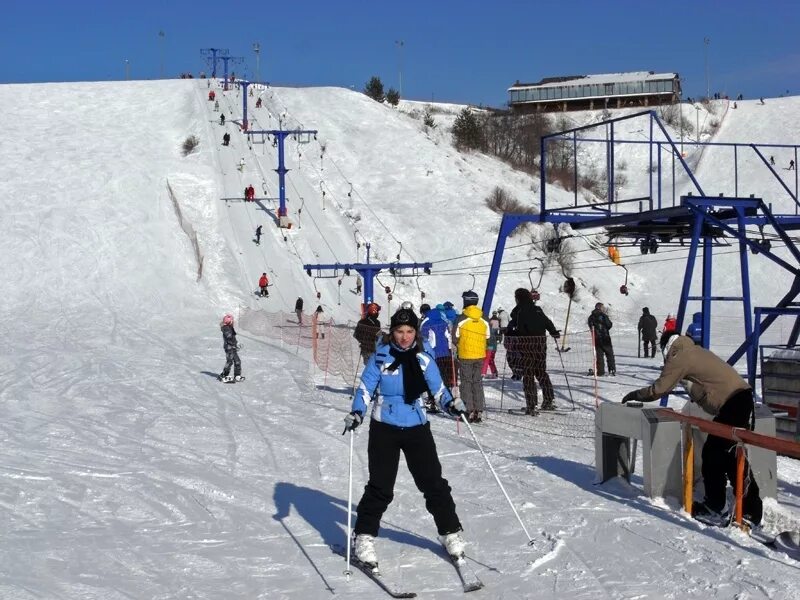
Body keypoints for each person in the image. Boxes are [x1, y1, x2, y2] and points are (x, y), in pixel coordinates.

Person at [342, 307, 468, 566]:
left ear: (415, 333)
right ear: (392, 332)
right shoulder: (380, 356)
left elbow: (439, 391)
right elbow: (365, 389)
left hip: (416, 426)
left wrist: (451, 405)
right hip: (384, 427)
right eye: (399, 331)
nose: (404, 337)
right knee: (380, 487)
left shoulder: (424, 359)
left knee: (433, 483)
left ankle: (450, 532)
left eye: (409, 331)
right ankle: (364, 536)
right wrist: (357, 413)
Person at [622, 331, 763, 527]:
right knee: (724, 455)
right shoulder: (691, 350)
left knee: (719, 454)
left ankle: (723, 507)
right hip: (738, 401)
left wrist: (637, 394)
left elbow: (661, 388)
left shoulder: (677, 355)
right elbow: (706, 387)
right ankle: (745, 509)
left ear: (666, 347)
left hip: (735, 404)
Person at [511, 288, 560, 413]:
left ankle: (532, 405)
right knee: (541, 372)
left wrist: (509, 332)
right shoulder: (538, 310)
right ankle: (549, 400)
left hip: (526, 346)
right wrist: (553, 332)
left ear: (518, 298)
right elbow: (547, 322)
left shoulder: (519, 311)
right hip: (540, 346)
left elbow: (516, 328)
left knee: (528, 375)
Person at [453, 290, 489, 423]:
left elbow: (455, 337)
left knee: (466, 383)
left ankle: (469, 410)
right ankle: (479, 410)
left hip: (465, 355)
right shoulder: (483, 318)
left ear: (466, 301)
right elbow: (488, 336)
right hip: (480, 355)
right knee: (477, 382)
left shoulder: (461, 318)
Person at [420, 303, 456, 394]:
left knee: (434, 375)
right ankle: (446, 392)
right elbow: (448, 336)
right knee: (445, 373)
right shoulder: (443, 321)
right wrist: (450, 349)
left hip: (433, 353)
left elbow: (424, 338)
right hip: (445, 353)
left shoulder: (426, 322)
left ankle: (434, 394)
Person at [588, 302, 616, 376]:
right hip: (605, 338)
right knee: (609, 354)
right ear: (600, 308)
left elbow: (590, 327)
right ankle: (612, 370)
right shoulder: (604, 316)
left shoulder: (591, 317)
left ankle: (600, 372)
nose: (603, 309)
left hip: (596, 339)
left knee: (599, 356)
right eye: (603, 308)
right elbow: (609, 325)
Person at [218, 314, 243, 382]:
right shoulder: (226, 328)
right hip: (229, 348)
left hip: (232, 348)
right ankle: (224, 375)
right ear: (229, 322)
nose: (233, 322)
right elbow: (229, 339)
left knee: (237, 361)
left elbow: (233, 338)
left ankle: (237, 375)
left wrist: (236, 344)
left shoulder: (229, 328)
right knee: (230, 362)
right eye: (232, 321)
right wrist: (235, 344)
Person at [482, 312, 501, 379]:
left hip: (490, 346)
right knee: (489, 360)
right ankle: (493, 372)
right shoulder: (489, 327)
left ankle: (484, 372)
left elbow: (489, 338)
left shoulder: (487, 329)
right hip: (492, 346)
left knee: (487, 360)